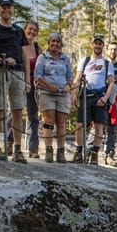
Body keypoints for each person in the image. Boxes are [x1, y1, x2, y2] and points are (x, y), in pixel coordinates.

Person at [0, 0, 33, 162]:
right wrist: (0, 60)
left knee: (18, 110)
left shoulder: (18, 31)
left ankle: (17, 149)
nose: (6, 10)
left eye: (9, 7)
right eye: (3, 7)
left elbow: (25, 55)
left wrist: (27, 79)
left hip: (18, 72)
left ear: (12, 10)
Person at [70, 33, 116, 165]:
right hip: (86, 94)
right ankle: (79, 151)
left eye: (100, 43)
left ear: (103, 45)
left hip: (100, 96)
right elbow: (77, 79)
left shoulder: (107, 64)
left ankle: (94, 153)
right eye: (95, 43)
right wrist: (73, 94)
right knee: (80, 124)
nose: (97, 45)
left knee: (99, 126)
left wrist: (105, 98)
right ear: (92, 45)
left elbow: (111, 82)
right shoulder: (84, 61)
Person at [33, 32, 75, 163]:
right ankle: (49, 150)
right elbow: (37, 76)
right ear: (49, 43)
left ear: (61, 44)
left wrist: (68, 85)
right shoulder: (42, 57)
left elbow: (70, 76)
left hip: (62, 94)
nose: (55, 44)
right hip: (47, 93)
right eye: (53, 41)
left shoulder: (65, 59)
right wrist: (49, 86)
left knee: (61, 123)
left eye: (57, 41)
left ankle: (61, 151)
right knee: (49, 121)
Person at [11, 20, 42, 158]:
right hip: (18, 81)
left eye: (35, 30)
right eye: (30, 29)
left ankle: (33, 148)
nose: (32, 32)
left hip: (33, 85)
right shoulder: (17, 45)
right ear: (24, 30)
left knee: (33, 116)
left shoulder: (37, 48)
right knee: (12, 113)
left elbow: (42, 66)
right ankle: (10, 142)